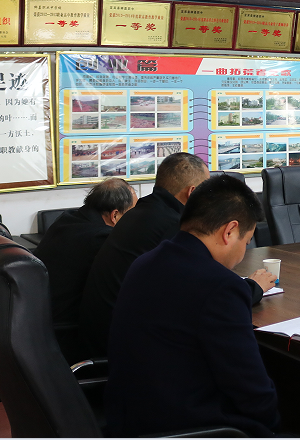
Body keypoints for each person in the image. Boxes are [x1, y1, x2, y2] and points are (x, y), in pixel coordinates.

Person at [104, 175, 280, 437]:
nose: (243, 251)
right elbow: (252, 392)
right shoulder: (221, 287)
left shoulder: (146, 262)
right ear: (230, 231)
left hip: (130, 420)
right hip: (193, 428)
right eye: (246, 242)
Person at [79, 153, 273, 356]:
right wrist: (253, 288)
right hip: (124, 348)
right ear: (193, 193)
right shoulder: (175, 227)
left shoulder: (140, 211)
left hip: (104, 334)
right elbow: (206, 292)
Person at [34, 178, 137, 360]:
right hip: (67, 331)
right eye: (133, 213)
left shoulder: (68, 218)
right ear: (115, 216)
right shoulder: (101, 238)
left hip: (39, 321)